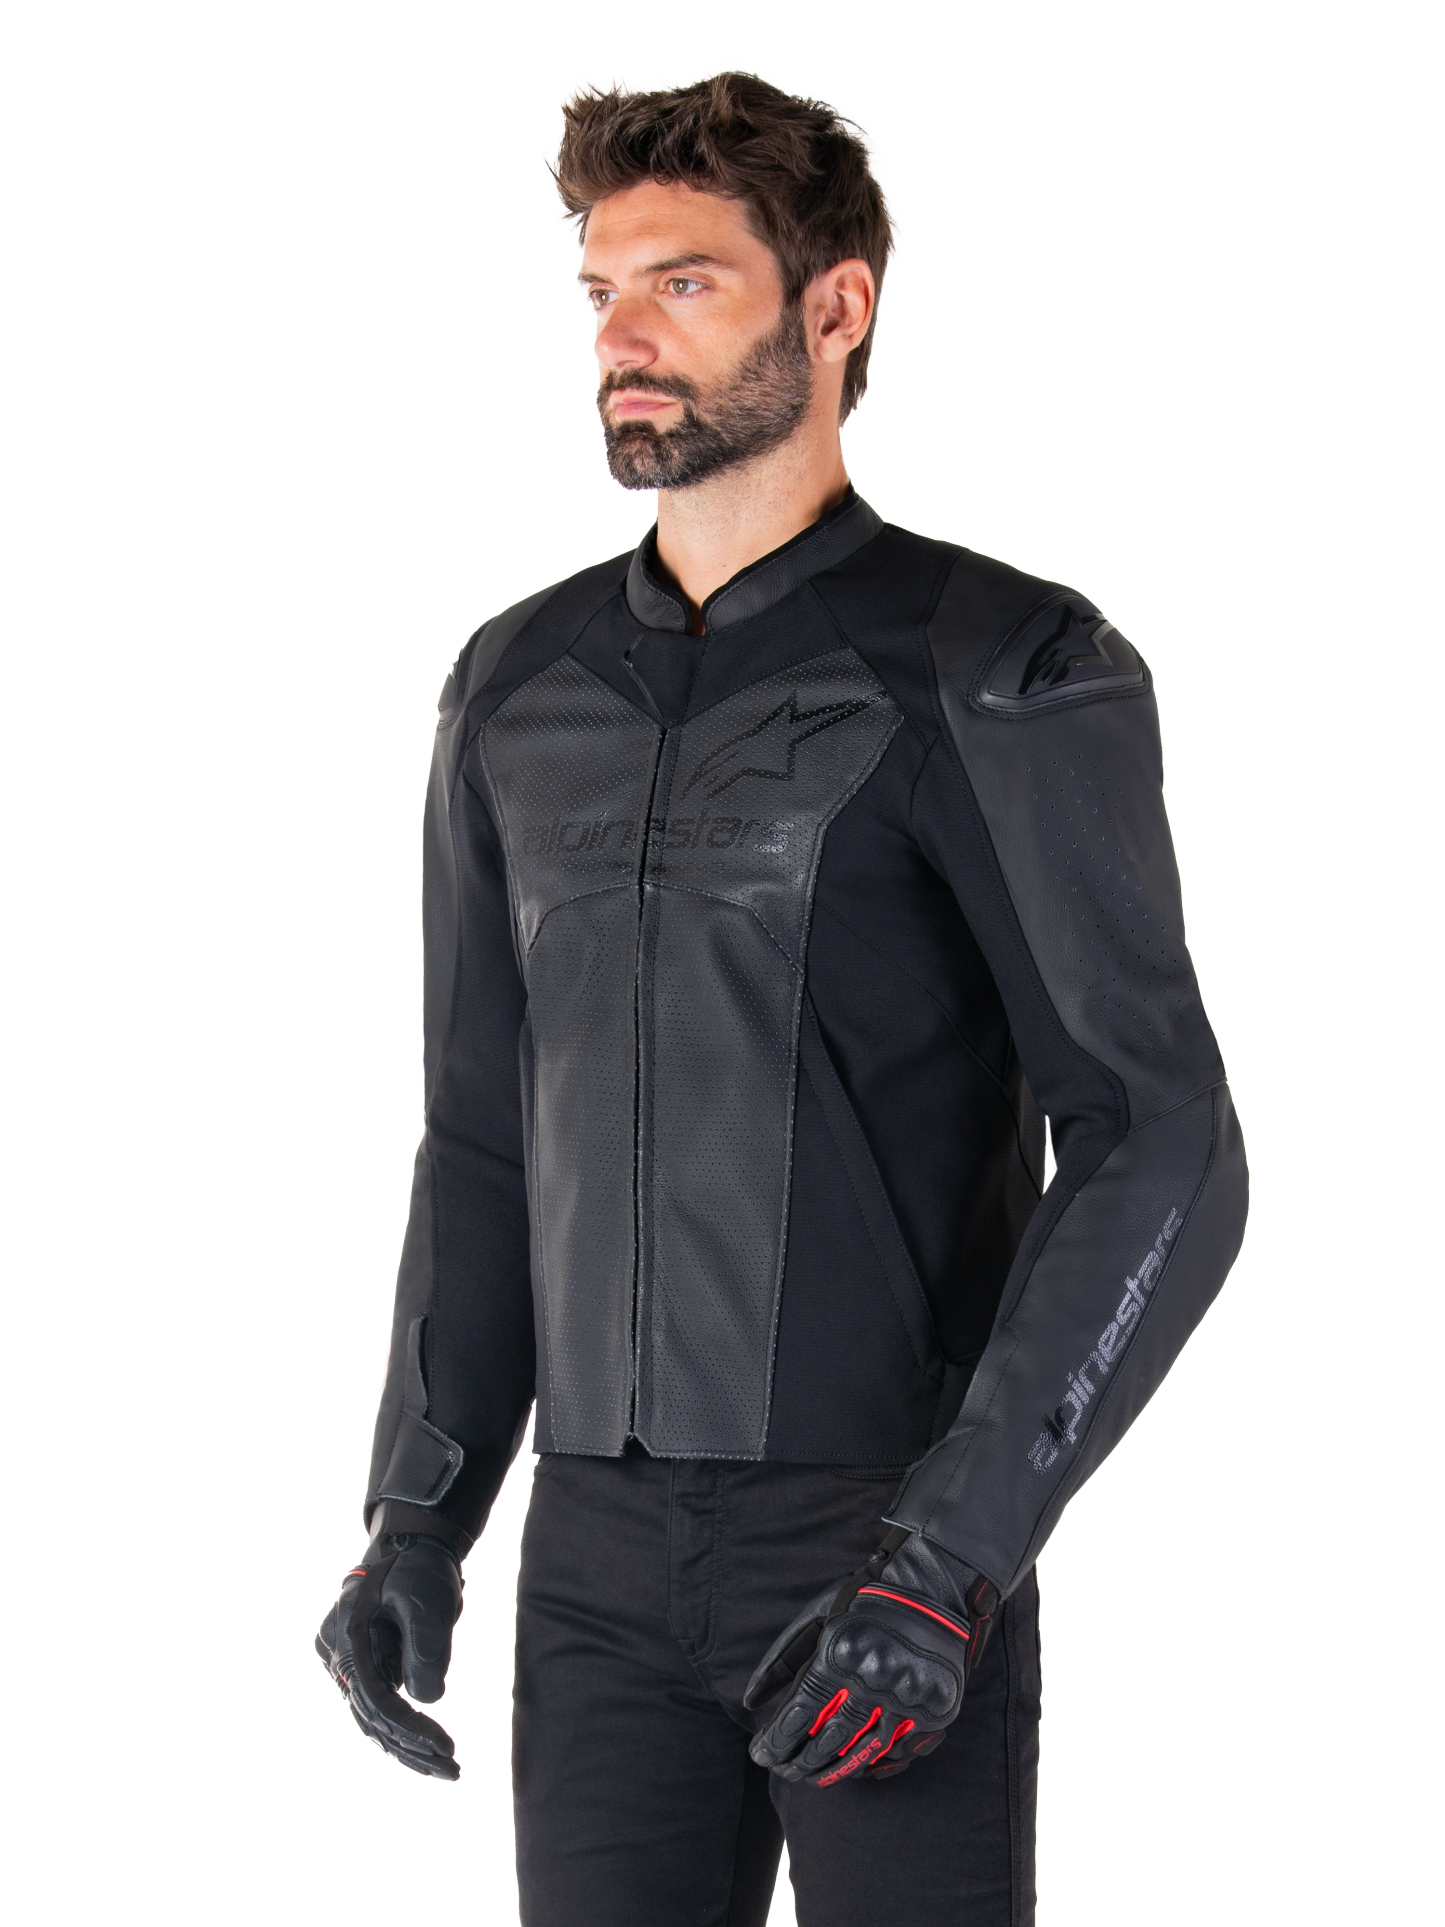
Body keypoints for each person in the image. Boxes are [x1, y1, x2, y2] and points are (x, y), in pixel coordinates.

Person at [318, 69, 1248, 1926]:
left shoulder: (1001, 667)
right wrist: (421, 1507)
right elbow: (490, 1131)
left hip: (878, 1546)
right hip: (590, 1566)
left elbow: (1160, 1136)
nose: (622, 338)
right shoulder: (513, 685)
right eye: (602, 291)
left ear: (836, 309)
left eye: (685, 284)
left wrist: (954, 1553)